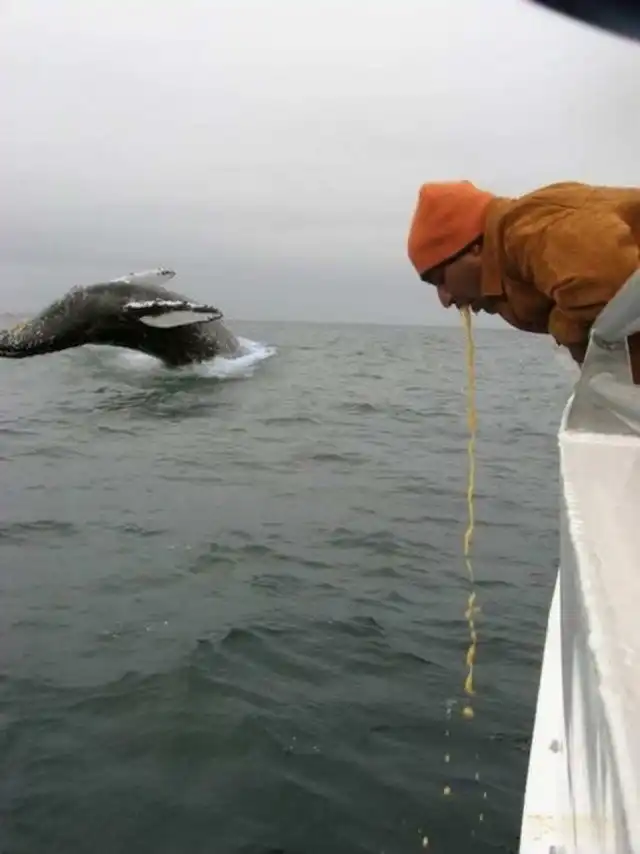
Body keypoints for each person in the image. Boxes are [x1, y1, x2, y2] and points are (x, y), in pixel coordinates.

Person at [406, 180, 640, 382]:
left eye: (441, 280)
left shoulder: (529, 229)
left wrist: (560, 326)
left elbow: (618, 285)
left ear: (474, 249)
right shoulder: (504, 284)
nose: (445, 299)